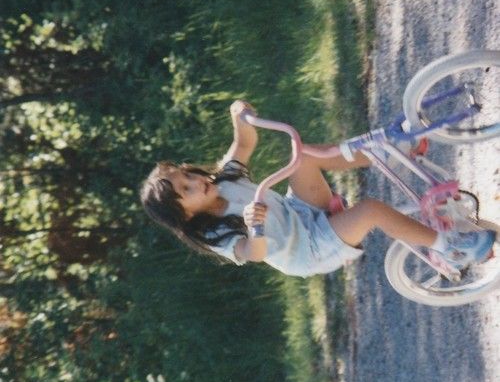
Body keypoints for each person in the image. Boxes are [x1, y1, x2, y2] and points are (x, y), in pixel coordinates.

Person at [140, 100, 496, 278]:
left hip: (301, 212)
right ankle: (450, 247)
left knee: (304, 156)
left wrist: (239, 114)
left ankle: (392, 150)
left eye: (187, 175)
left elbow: (244, 143)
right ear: (184, 214)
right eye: (186, 190)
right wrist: (254, 227)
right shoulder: (214, 232)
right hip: (309, 249)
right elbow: (252, 252)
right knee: (370, 211)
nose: (195, 181)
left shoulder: (224, 181)